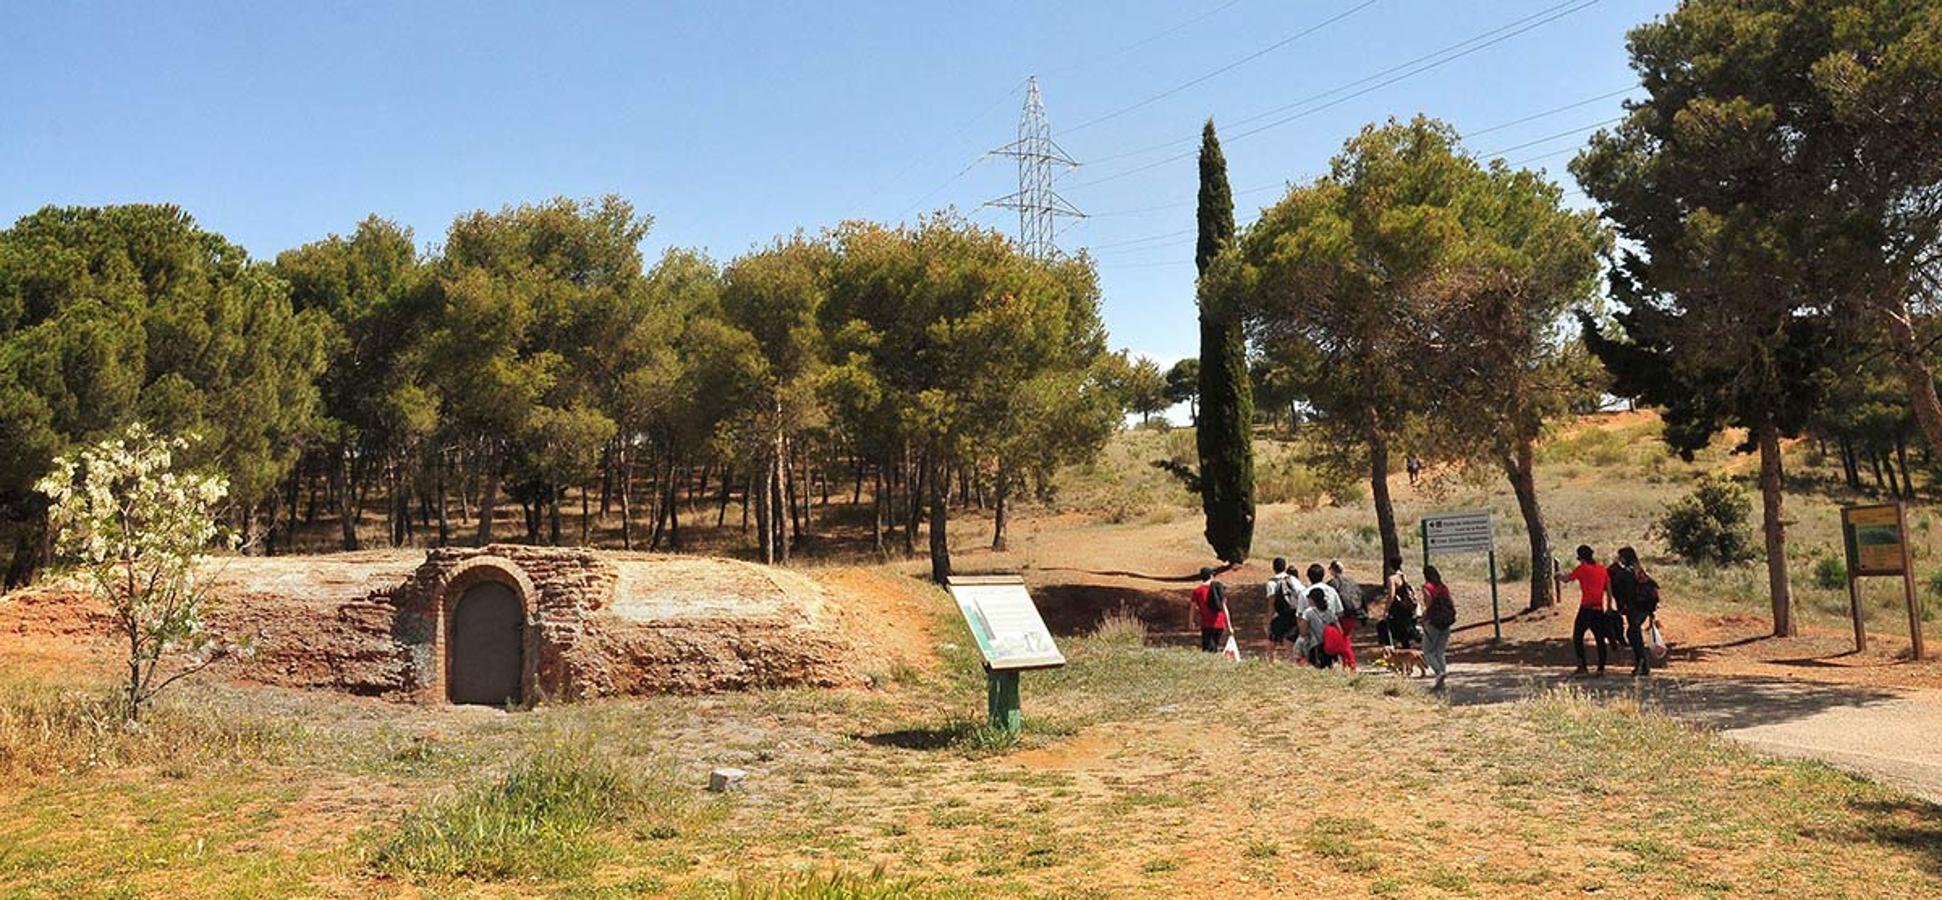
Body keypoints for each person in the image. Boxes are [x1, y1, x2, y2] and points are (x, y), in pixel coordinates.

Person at [1558, 544, 1612, 676]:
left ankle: (1582, 666)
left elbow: (1567, 579)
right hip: (1599, 608)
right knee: (1600, 639)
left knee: (1578, 636)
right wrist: (1609, 606)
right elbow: (1609, 589)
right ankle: (1601, 668)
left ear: (1581, 558)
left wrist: (1558, 576)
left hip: (1586, 608)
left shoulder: (1582, 569)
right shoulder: (1602, 569)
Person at [1608, 546, 1658, 677]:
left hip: (1634, 608)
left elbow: (1619, 588)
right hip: (1645, 607)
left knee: (1633, 633)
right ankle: (1642, 665)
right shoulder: (1638, 568)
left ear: (1624, 557)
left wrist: (1623, 607)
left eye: (1620, 556)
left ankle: (1642, 665)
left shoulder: (1625, 572)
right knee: (1633, 633)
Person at [1421, 564, 1456, 690]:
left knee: (1427, 650)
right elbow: (1450, 602)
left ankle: (1439, 672)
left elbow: (1428, 605)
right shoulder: (1443, 587)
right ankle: (1442, 677)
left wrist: (1423, 618)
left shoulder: (1427, 587)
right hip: (1446, 621)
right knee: (1440, 651)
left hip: (1433, 622)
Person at [1265, 558, 1304, 662]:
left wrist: (1268, 621)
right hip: (1293, 614)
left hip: (1280, 615)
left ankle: (1270, 661)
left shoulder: (1271, 583)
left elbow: (1271, 603)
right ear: (1285, 567)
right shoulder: (1292, 579)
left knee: (1271, 639)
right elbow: (1302, 594)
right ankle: (1293, 660)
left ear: (1273, 568)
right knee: (1289, 640)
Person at [1378, 557, 1418, 649]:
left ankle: (1392, 651)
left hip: (1397, 608)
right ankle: (1406, 650)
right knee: (1404, 632)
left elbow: (1391, 595)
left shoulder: (1392, 579)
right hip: (1406, 606)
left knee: (1391, 629)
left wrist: (1386, 609)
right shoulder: (1403, 576)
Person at [1299, 587, 1339, 667]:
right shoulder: (1330, 611)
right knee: (1329, 667)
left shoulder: (1308, 612)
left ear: (1312, 599)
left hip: (1315, 646)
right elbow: (1338, 629)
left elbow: (1303, 632)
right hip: (1329, 646)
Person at [1326, 560, 1362, 624]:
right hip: (1355, 612)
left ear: (1332, 570)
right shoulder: (1352, 581)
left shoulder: (1332, 583)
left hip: (1341, 613)